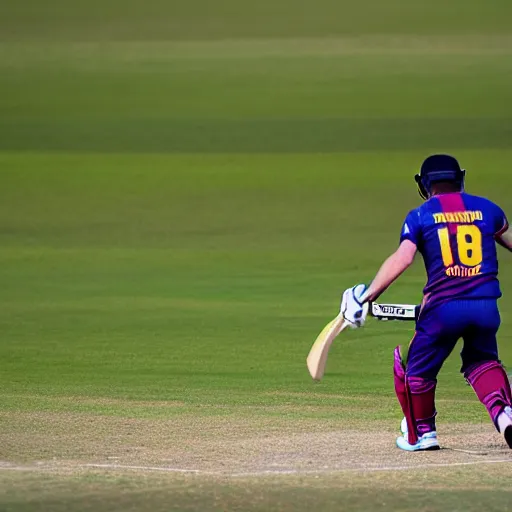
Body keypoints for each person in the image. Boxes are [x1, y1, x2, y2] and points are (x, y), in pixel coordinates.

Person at [341, 154, 512, 451]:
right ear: (460, 177)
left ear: (424, 185)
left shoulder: (420, 216)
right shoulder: (489, 210)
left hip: (443, 310)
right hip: (486, 307)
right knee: (482, 361)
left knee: (414, 366)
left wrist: (366, 296)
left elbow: (403, 258)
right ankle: (505, 416)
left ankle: (423, 433)